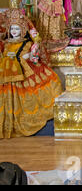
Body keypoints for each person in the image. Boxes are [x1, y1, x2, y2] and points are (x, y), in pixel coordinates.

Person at [0, 9, 62, 138]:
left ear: (23, 29)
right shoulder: (6, 45)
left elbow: (30, 57)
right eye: (12, 29)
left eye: (17, 29)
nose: (14, 32)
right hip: (6, 78)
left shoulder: (27, 44)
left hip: (23, 74)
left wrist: (27, 56)